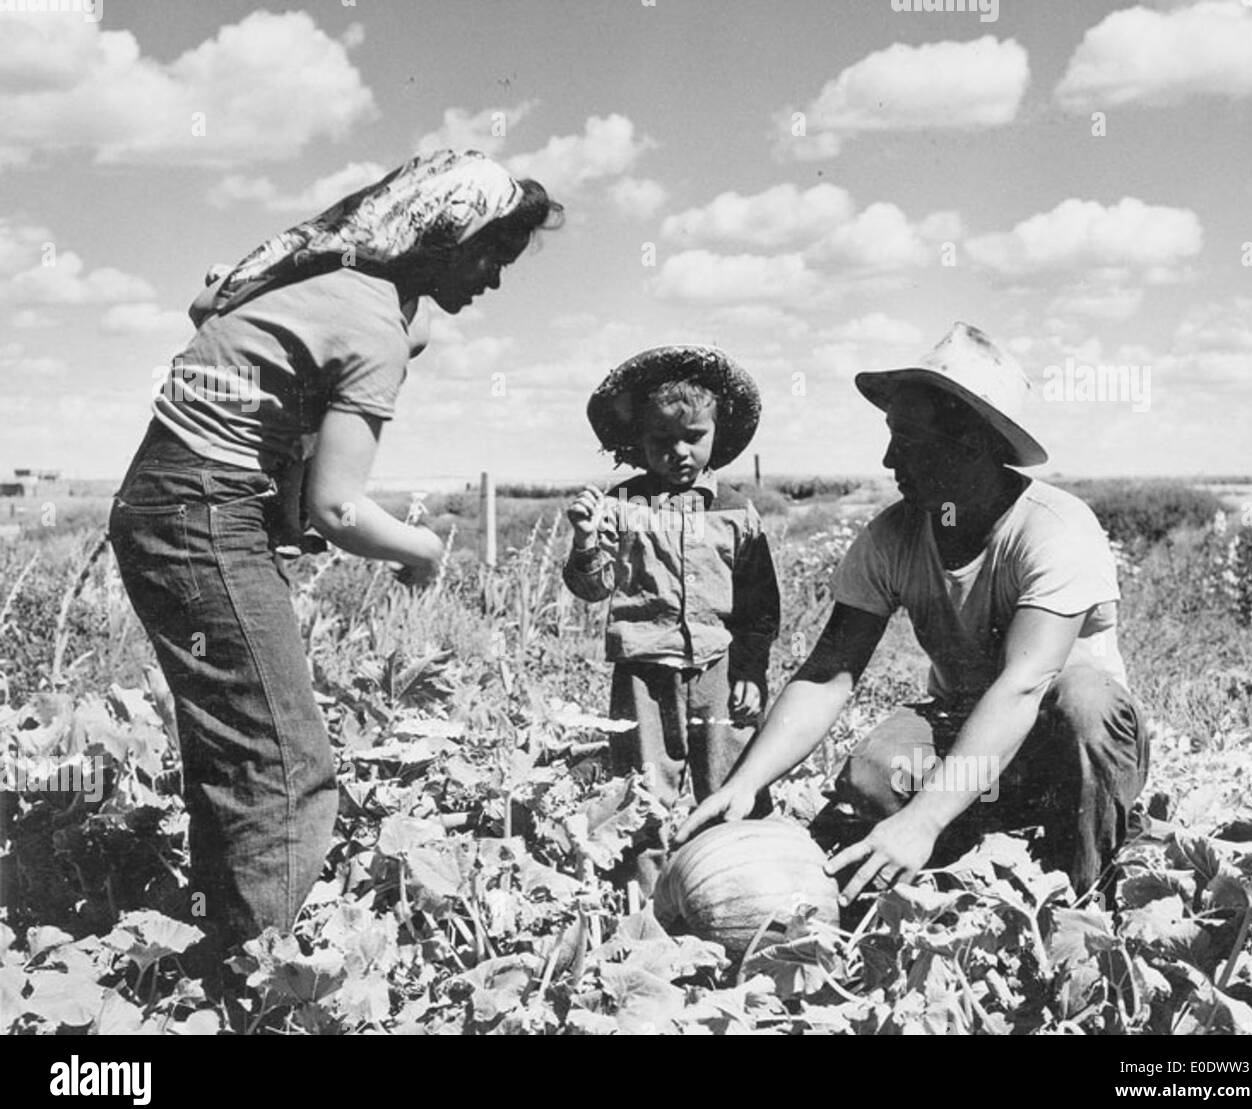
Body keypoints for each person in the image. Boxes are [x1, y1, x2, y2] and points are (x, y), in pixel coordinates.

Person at [108, 150, 563, 959]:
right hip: (206, 511)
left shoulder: (316, 274)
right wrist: (421, 550)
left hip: (163, 502)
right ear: (443, 235)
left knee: (237, 745)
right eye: (492, 253)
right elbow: (339, 508)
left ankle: (222, 948)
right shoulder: (371, 325)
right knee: (287, 761)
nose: (494, 280)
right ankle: (265, 986)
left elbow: (213, 308)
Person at [679, 322, 1149, 904]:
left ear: (973, 443)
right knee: (874, 771)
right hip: (970, 733)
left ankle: (1085, 895)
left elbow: (1026, 687)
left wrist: (922, 820)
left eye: (907, 439)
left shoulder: (1055, 528)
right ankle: (968, 868)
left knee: (1084, 701)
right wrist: (745, 782)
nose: (887, 457)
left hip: (1065, 741)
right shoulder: (895, 535)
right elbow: (829, 674)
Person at [564, 346, 781, 890]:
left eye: (694, 438)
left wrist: (751, 669)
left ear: (715, 433)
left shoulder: (735, 509)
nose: (679, 452)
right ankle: (644, 905)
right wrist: (586, 540)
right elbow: (592, 588)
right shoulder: (620, 505)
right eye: (662, 441)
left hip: (718, 668)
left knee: (731, 778)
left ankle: (744, 889)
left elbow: (760, 604)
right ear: (638, 440)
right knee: (641, 787)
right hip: (643, 668)